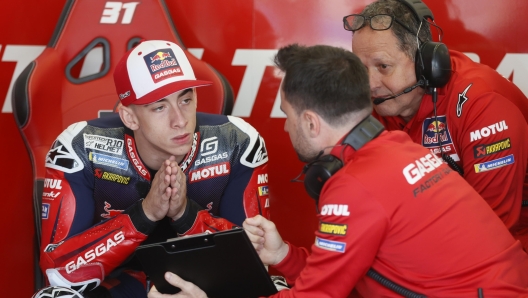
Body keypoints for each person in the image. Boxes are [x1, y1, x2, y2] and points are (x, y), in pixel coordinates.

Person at [149, 44, 528, 297]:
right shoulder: (395, 151)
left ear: (312, 123)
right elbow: (340, 272)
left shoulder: (354, 186)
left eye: (288, 115)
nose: (285, 126)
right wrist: (281, 254)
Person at [38, 40, 271, 297]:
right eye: (160, 107)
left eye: (185, 99)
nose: (180, 120)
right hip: (121, 286)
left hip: (204, 286)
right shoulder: (80, 147)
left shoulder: (237, 142)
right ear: (130, 117)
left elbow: (257, 262)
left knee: (273, 291)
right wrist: (144, 214)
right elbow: (58, 272)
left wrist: (186, 215)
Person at [344, 0, 528, 249]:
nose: (369, 83)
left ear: (425, 64)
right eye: (360, 68)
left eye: (383, 66)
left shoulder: (482, 104)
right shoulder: (379, 105)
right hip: (432, 245)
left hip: (505, 256)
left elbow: (492, 234)